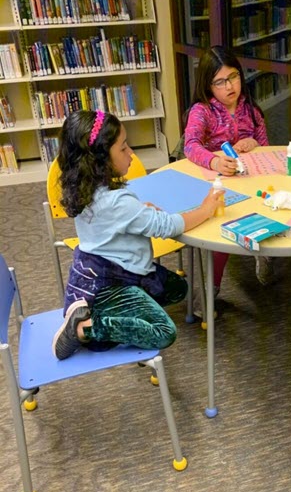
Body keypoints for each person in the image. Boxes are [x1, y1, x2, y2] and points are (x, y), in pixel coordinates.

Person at [52, 110, 223, 360]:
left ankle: (113, 315)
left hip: (104, 270)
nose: (131, 153)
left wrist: (139, 213)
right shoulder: (116, 201)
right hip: (108, 284)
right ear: (100, 159)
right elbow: (168, 226)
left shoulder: (87, 188)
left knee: (177, 288)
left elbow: (112, 221)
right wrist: (206, 209)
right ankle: (84, 328)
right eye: (123, 148)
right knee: (163, 331)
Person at [184, 45, 273, 289]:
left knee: (268, 210)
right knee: (222, 231)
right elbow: (190, 145)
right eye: (220, 82)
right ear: (208, 85)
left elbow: (266, 147)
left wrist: (254, 142)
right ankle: (211, 289)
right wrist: (214, 161)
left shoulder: (252, 110)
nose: (229, 86)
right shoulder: (202, 111)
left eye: (233, 77)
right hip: (217, 184)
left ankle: (262, 253)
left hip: (250, 180)